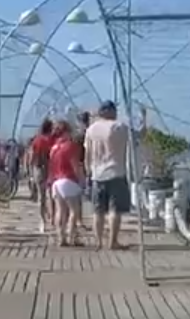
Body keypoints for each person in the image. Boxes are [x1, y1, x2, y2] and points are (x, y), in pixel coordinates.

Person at [83, 100, 132, 250]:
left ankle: (98, 241)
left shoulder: (91, 130)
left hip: (97, 174)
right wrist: (143, 117)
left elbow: (88, 153)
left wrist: (88, 172)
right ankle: (113, 241)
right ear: (110, 111)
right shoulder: (119, 127)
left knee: (98, 211)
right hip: (116, 172)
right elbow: (137, 135)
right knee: (114, 210)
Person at [47, 120, 85, 246]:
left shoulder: (54, 148)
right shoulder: (70, 146)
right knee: (74, 210)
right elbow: (75, 164)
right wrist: (81, 179)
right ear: (68, 132)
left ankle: (61, 237)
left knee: (60, 210)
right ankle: (72, 237)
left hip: (56, 181)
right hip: (68, 179)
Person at [27, 118, 56, 231]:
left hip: (38, 169)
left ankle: (42, 221)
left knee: (41, 197)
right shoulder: (52, 140)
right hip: (51, 168)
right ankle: (53, 218)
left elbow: (32, 156)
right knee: (52, 195)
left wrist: (30, 171)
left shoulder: (37, 140)